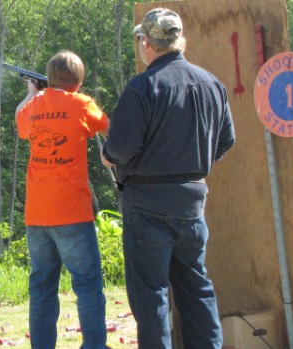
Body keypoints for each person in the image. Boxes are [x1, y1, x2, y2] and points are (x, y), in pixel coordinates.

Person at [100, 7, 235, 349]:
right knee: (197, 290)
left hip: (147, 207)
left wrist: (107, 156)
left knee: (151, 297)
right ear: (178, 40)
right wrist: (195, 163)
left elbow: (122, 148)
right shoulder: (212, 84)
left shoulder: (143, 87)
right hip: (192, 204)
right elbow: (226, 140)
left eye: (140, 39)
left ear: (146, 42)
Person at [14, 50, 110, 349]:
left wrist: (32, 93)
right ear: (78, 82)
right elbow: (109, 128)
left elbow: (21, 122)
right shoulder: (82, 103)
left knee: (42, 288)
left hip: (37, 216)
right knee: (88, 284)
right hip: (72, 211)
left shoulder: (34, 105)